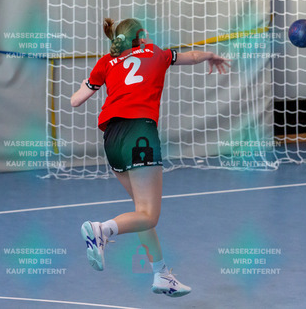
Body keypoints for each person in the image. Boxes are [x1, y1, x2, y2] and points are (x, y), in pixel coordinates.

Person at [71, 17, 231, 297]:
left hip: (112, 138)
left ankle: (162, 273)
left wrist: (91, 80)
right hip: (140, 134)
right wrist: (210, 55)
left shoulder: (106, 62)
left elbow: (75, 100)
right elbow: (192, 57)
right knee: (148, 215)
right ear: (141, 36)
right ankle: (102, 230)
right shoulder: (155, 52)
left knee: (140, 213)